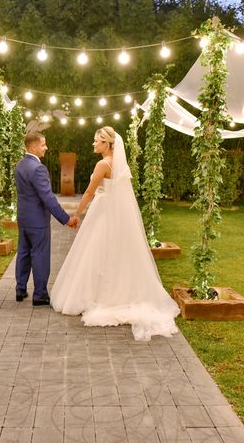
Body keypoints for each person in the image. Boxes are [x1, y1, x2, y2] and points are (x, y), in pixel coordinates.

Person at [51, 126, 179, 341]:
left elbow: (90, 192)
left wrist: (76, 214)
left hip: (102, 212)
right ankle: (117, 292)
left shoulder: (103, 164)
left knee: (96, 251)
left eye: (97, 140)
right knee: (114, 251)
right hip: (113, 212)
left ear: (107, 144)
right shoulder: (119, 165)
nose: (93, 143)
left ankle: (99, 296)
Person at [15, 132, 78, 306]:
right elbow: (48, 198)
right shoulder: (38, 168)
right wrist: (66, 219)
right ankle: (40, 295)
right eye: (43, 144)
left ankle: (20, 289)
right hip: (37, 221)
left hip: (24, 218)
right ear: (33, 147)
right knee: (40, 255)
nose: (46, 148)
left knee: (23, 253)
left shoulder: (20, 165)